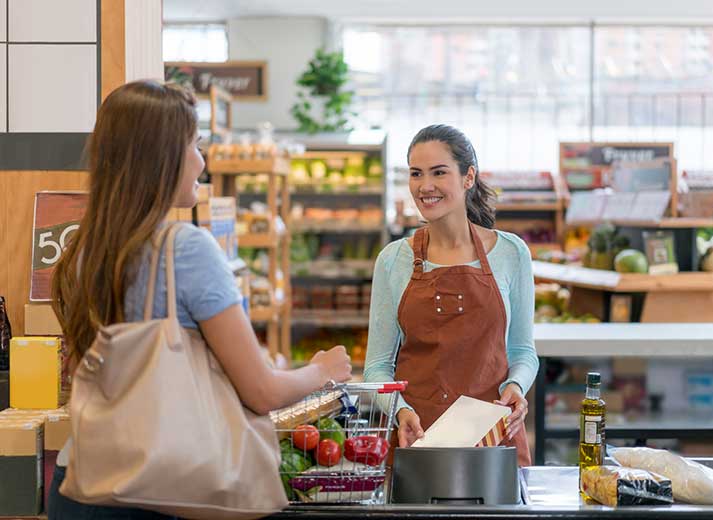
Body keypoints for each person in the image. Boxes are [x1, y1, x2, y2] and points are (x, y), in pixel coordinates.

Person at [48, 80, 352, 519]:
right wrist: (321, 371)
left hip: (82, 478)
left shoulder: (82, 252)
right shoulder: (184, 248)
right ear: (163, 157)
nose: (201, 160)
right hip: (165, 487)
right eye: (194, 144)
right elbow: (262, 392)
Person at [364, 124, 538, 466]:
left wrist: (516, 386)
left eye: (439, 172)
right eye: (416, 174)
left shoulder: (512, 253)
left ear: (468, 177)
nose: (425, 186)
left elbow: (522, 351)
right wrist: (400, 412)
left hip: (494, 441)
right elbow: (377, 368)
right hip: (419, 440)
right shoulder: (393, 260)